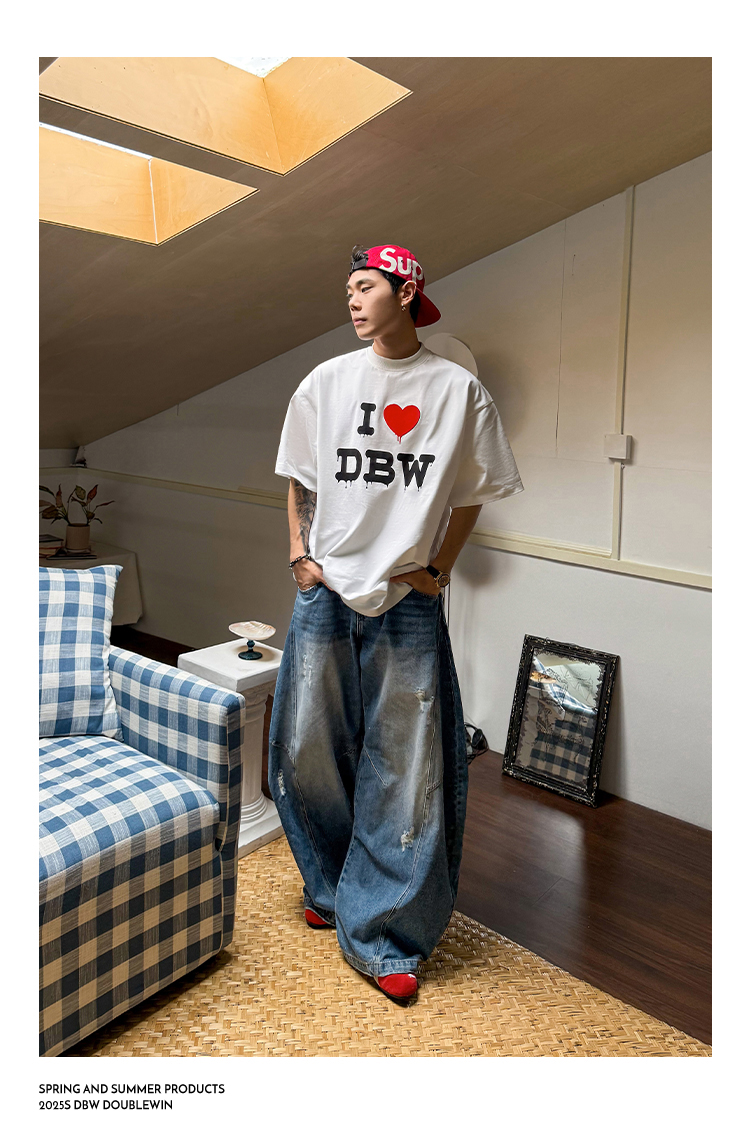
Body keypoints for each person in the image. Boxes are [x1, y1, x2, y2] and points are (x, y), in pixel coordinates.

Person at [269, 244, 523, 1004]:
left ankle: (386, 934)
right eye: (347, 288)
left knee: (405, 767)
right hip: (324, 590)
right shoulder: (326, 381)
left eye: (365, 286)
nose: (352, 300)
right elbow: (299, 477)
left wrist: (438, 568)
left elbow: (474, 491)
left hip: (405, 600)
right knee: (304, 748)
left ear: (405, 292)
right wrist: (299, 555)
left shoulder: (457, 391)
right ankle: (332, 887)